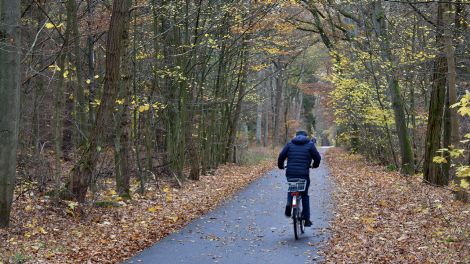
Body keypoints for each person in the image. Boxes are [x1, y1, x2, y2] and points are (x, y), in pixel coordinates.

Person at [277, 130, 321, 227]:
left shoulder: (289, 144)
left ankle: (289, 203)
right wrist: (315, 165)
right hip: (303, 174)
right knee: (304, 194)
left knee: (292, 186)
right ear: (306, 136)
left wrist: (280, 166)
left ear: (296, 136)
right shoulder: (310, 144)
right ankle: (306, 219)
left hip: (291, 173)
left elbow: (281, 156)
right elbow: (317, 158)